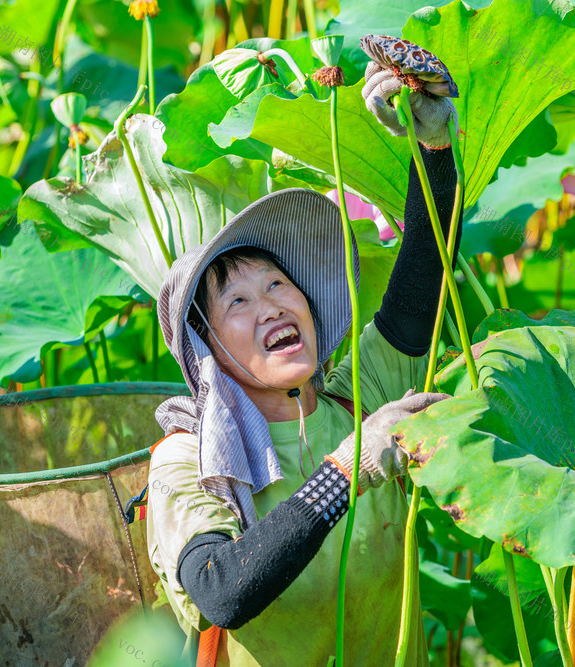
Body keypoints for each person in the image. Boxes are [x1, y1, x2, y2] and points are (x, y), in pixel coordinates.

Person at [145, 60, 459, 665]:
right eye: (238, 302)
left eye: (277, 285)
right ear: (208, 349)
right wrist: (348, 469)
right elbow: (222, 591)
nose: (269, 307)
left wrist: (435, 148)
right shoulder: (189, 460)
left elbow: (423, 281)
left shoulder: (357, 398)